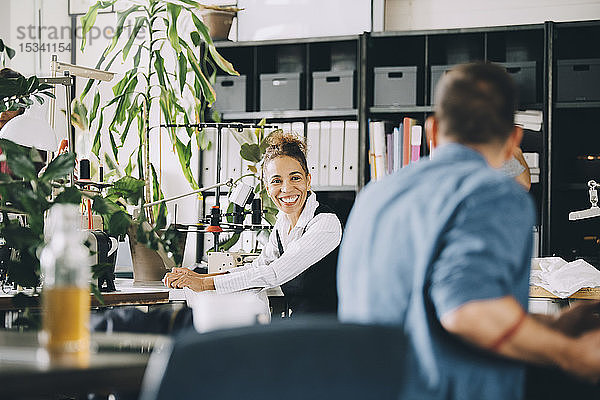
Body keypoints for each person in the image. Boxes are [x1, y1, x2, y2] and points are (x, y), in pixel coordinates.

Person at [337, 62, 600, 399]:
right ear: (513, 140)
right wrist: (571, 354)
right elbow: (467, 311)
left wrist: (552, 330)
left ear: (432, 131)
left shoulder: (376, 194)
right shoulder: (494, 192)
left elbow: (421, 313)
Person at [165, 131, 343, 315]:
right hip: (300, 328)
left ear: (308, 180)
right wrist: (201, 276)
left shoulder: (325, 223)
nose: (286, 188)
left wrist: (204, 284)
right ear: (267, 188)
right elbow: (258, 267)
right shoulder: (283, 224)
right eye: (276, 181)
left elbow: (274, 274)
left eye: (295, 178)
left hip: (330, 332)